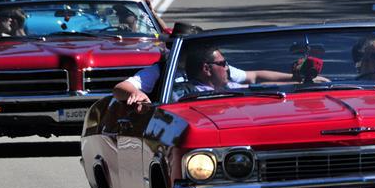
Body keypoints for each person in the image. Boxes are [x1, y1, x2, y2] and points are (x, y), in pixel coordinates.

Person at [114, 39, 304, 110]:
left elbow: (253, 79)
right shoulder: (162, 71)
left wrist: (298, 80)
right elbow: (122, 87)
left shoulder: (224, 79)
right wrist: (136, 95)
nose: (226, 68)